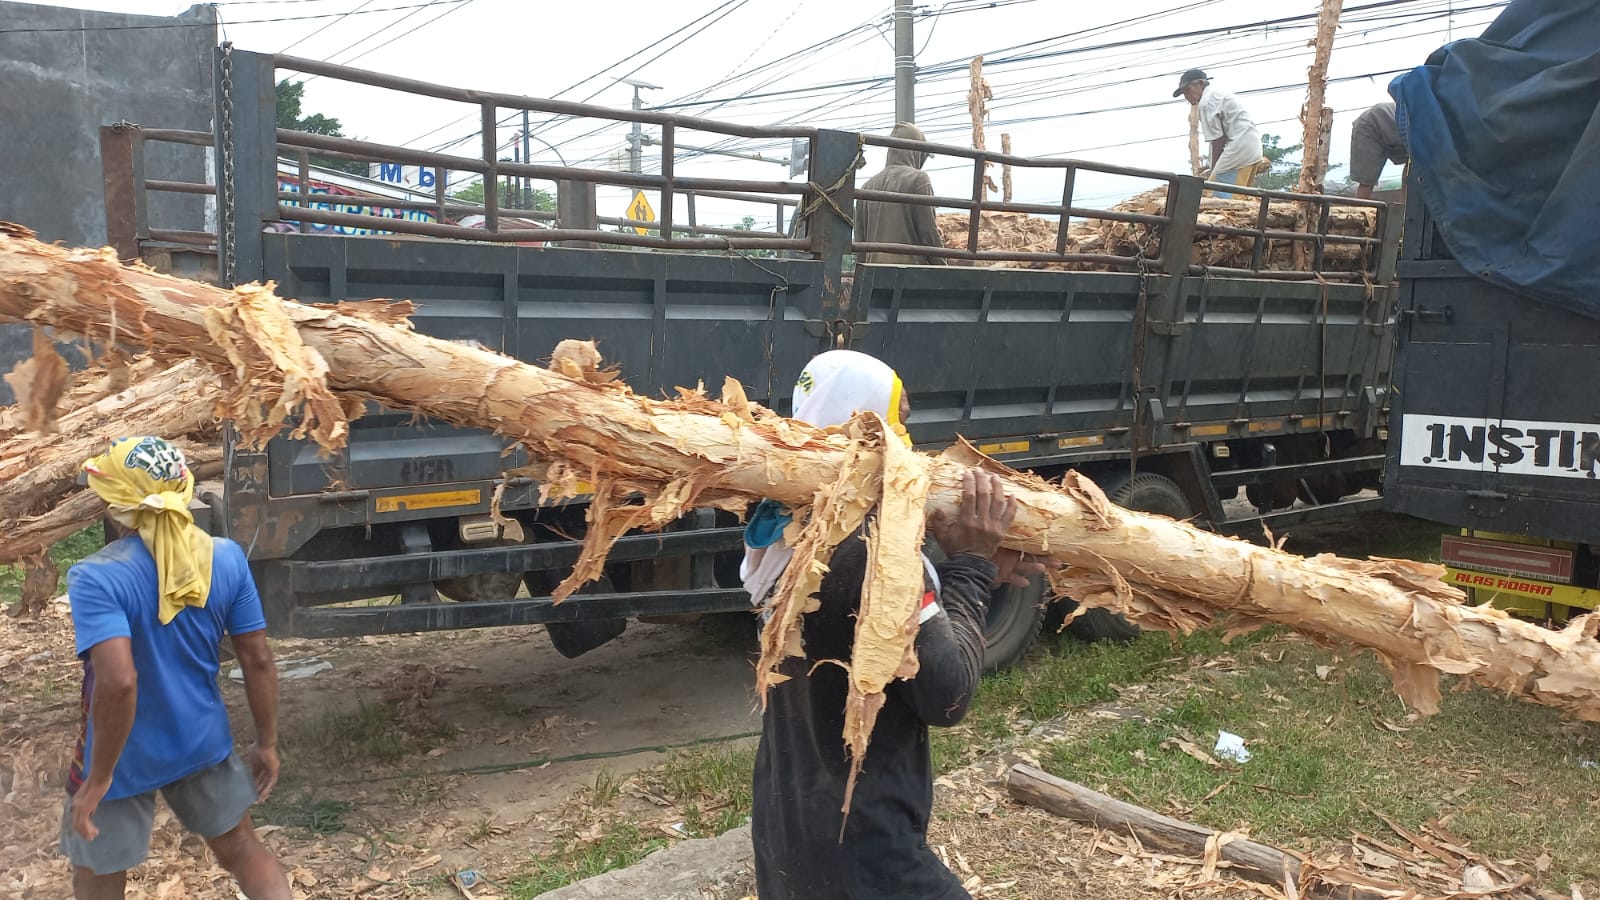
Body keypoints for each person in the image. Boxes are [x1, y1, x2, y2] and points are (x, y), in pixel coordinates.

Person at [744, 350, 1040, 900]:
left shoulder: (794, 530)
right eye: (894, 422)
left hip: (790, 833)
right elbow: (948, 697)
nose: (905, 441)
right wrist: (971, 569)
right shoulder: (876, 556)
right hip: (865, 852)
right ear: (862, 427)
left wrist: (969, 574)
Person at [61, 437, 291, 900]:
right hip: (200, 740)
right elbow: (258, 660)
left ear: (116, 503)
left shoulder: (96, 577)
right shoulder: (224, 557)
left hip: (121, 757)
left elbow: (120, 681)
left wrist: (98, 779)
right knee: (244, 851)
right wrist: (267, 743)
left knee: (98, 876)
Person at [855, 122, 948, 265]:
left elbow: (860, 244)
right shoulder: (919, 179)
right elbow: (928, 236)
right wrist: (945, 270)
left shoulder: (866, 186)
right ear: (917, 151)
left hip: (872, 276)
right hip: (909, 277)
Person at [1175, 68, 1266, 199]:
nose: (1187, 96)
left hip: (1237, 152)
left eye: (1188, 90)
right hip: (1250, 149)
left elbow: (1217, 140)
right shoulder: (1218, 94)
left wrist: (1214, 169)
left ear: (1200, 84)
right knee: (1239, 197)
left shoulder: (1206, 103)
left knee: (1217, 196)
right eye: (1184, 93)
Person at [1350, 101, 1408, 199]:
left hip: (1392, 127)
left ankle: (1408, 209)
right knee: (1366, 182)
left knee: (1413, 165)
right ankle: (1358, 210)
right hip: (1371, 125)